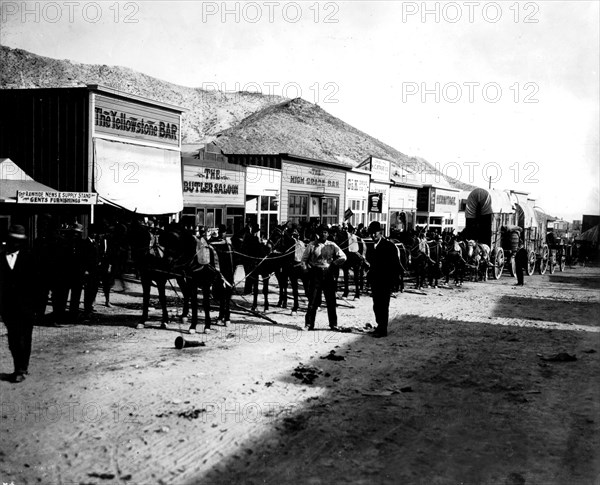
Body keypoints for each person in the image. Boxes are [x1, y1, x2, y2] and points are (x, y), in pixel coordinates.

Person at [0, 225, 37, 382]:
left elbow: (38, 284)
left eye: (18, 241)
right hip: (8, 306)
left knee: (25, 337)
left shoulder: (30, 258)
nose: (14, 243)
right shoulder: (0, 258)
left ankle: (22, 368)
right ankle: (19, 367)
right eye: (12, 240)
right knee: (14, 339)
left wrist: (36, 306)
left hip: (27, 305)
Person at [302, 224, 346, 331]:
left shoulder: (332, 245)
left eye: (325, 232)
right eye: (321, 232)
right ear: (318, 234)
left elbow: (343, 257)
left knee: (331, 301)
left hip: (328, 275)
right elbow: (303, 260)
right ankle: (309, 324)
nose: (323, 234)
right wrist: (307, 270)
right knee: (312, 301)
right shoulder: (312, 245)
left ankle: (333, 324)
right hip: (315, 275)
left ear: (328, 234)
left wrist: (334, 264)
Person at [366, 220, 401, 338]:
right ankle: (379, 325)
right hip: (375, 281)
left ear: (380, 233)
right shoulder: (371, 247)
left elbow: (395, 265)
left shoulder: (389, 246)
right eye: (371, 233)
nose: (373, 235)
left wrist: (394, 283)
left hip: (386, 281)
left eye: (375, 233)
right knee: (376, 305)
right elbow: (371, 265)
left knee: (383, 305)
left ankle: (383, 330)